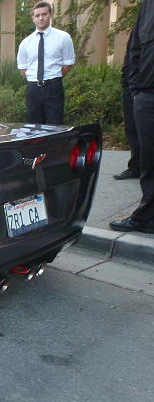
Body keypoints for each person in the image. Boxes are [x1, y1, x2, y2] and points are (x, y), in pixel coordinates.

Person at [110, 0, 154, 234]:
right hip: (147, 94)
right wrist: (136, 89)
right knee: (149, 158)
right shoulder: (148, 6)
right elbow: (135, 49)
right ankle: (147, 217)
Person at [17, 1, 75, 124]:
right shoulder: (26, 42)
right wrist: (35, 80)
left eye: (44, 14)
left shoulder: (63, 37)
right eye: (37, 15)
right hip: (33, 89)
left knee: (55, 126)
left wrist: (54, 77)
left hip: (53, 88)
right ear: (33, 18)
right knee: (33, 128)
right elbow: (23, 69)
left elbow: (69, 63)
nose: (41, 18)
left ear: (51, 15)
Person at [114, 29, 141, 180]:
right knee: (131, 129)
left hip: (144, 87)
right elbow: (130, 55)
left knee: (146, 132)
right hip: (130, 86)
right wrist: (126, 79)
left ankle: (147, 169)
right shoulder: (138, 27)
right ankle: (136, 167)